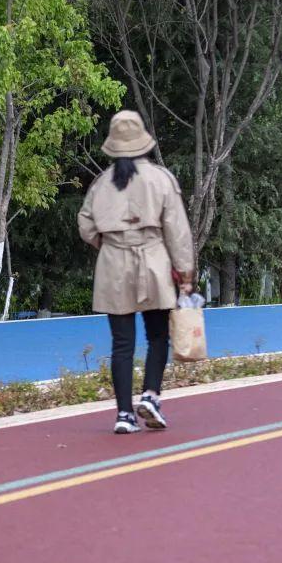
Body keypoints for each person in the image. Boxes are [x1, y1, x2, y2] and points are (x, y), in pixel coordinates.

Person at [77, 110, 194, 434]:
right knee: (158, 336)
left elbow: (85, 223)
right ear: (142, 142)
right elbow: (177, 231)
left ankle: (124, 415)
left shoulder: (101, 184)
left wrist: (107, 243)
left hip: (113, 263)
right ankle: (151, 395)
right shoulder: (162, 179)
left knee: (121, 344)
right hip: (153, 260)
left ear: (114, 145)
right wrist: (184, 273)